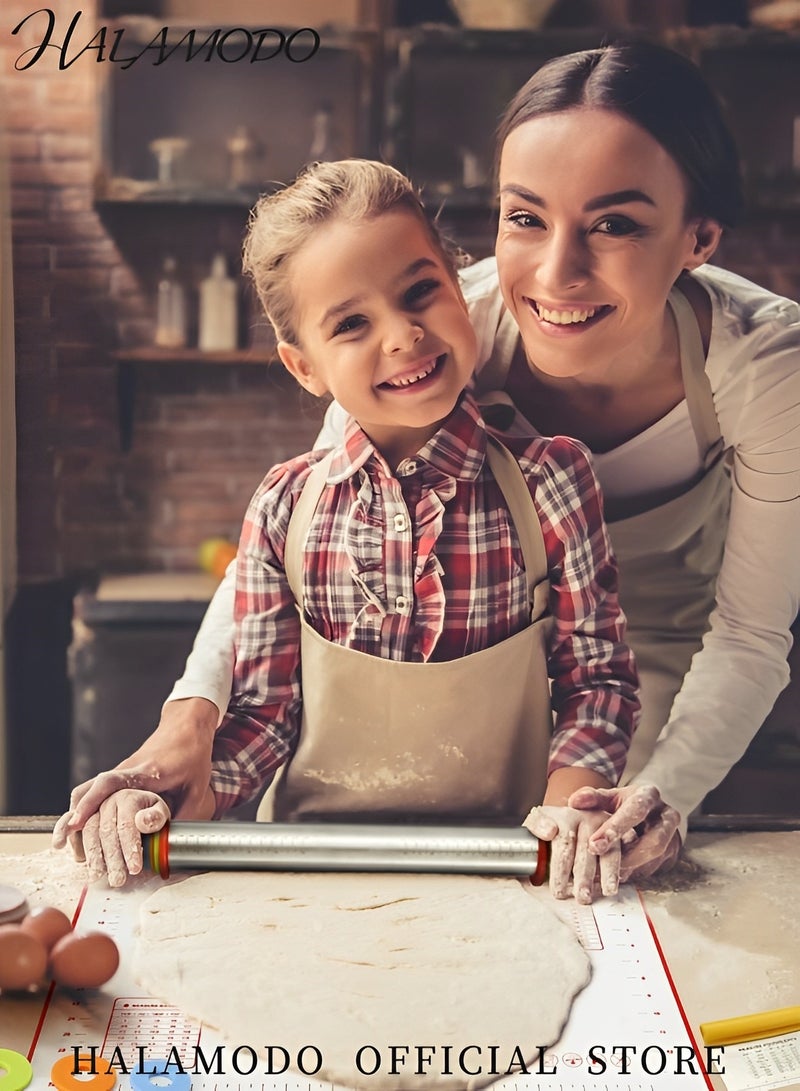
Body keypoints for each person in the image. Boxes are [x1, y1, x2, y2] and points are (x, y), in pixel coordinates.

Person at [55, 40, 799, 883]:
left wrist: (658, 791)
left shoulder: (766, 365)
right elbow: (282, 550)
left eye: (616, 223)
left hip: (668, 667)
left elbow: (746, 635)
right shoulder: (446, 323)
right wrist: (187, 720)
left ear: (698, 236)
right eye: (525, 217)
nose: (556, 274)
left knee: (614, 888)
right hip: (501, 681)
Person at [56, 159, 639, 895]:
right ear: (305, 368)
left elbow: (598, 682)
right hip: (308, 872)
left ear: (461, 291)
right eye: (352, 324)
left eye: (421, 291)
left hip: (511, 870)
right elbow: (264, 719)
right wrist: (174, 800)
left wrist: (571, 813)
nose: (403, 336)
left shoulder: (553, 479)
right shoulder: (283, 506)